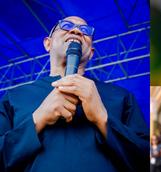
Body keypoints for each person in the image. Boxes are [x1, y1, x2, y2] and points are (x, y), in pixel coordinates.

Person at [0, 16, 149, 172]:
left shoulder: (122, 97)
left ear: (91, 53)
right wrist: (38, 119)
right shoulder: (15, 97)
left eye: (85, 30)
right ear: (47, 44)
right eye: (66, 25)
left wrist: (102, 118)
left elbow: (146, 160)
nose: (76, 31)